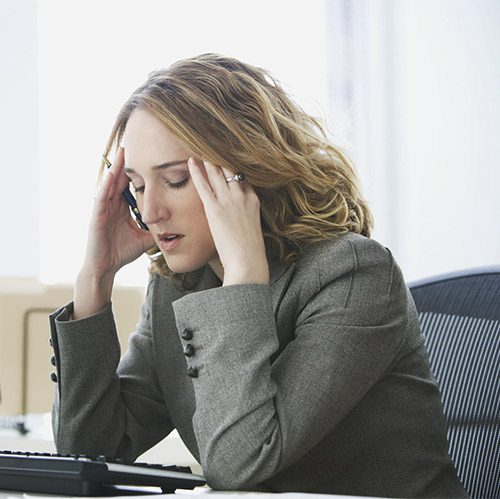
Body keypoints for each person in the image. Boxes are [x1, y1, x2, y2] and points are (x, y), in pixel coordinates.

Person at [49, 53, 467, 497]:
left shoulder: (356, 276)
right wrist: (95, 279)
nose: (151, 212)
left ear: (244, 170)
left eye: (174, 181)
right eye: (136, 186)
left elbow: (240, 463)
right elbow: (89, 451)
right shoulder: (176, 287)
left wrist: (244, 275)